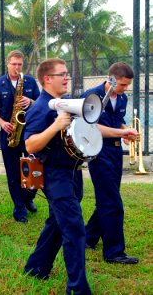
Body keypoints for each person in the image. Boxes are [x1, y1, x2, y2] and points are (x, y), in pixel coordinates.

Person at [23, 58, 92, 294]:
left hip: (72, 172)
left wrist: (120, 132)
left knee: (57, 222)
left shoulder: (64, 103)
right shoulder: (40, 108)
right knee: (73, 228)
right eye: (61, 74)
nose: (66, 77)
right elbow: (30, 145)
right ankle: (77, 288)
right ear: (47, 79)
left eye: (67, 74)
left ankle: (36, 267)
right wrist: (54, 126)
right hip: (54, 175)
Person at [82, 62, 139, 264]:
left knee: (107, 198)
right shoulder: (92, 96)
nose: (125, 89)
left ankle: (87, 239)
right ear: (111, 79)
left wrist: (126, 131)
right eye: (122, 85)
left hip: (115, 151)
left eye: (127, 86)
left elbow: (117, 121)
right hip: (98, 151)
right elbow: (92, 127)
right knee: (113, 203)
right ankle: (114, 252)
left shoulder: (121, 97)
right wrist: (121, 132)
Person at [0, 50, 40, 223]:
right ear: (8, 64)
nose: (17, 67)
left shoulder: (30, 81)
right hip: (9, 132)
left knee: (35, 168)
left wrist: (30, 102)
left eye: (19, 64)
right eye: (13, 64)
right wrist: (2, 122)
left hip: (30, 132)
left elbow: (41, 102)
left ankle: (28, 198)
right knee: (13, 174)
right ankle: (19, 208)